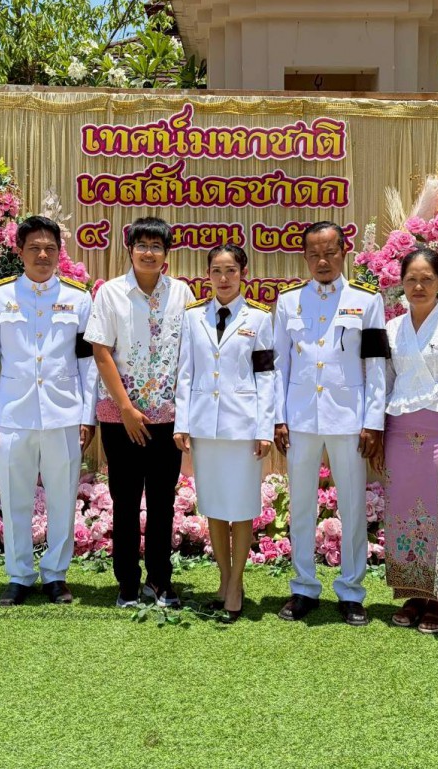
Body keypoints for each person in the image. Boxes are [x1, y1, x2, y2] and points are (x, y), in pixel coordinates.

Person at [0, 215, 97, 607]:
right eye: (34, 248)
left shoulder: (79, 298)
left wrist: (87, 416)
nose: (42, 255)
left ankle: (56, 575)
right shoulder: (0, 297)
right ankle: (19, 575)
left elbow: (87, 362)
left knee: (63, 498)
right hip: (13, 414)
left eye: (49, 248)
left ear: (59, 252)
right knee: (15, 499)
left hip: (64, 414)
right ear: (20, 252)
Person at [273, 221, 388, 626]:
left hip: (349, 418)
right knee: (301, 505)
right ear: (305, 257)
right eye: (314, 254)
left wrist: (373, 421)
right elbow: (279, 364)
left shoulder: (367, 300)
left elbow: (376, 365)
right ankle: (304, 587)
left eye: (330, 253)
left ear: (344, 252)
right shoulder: (289, 301)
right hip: (301, 418)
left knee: (352, 505)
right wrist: (278, 418)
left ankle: (351, 591)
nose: (322, 261)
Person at [83, 216, 193, 609]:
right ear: (129, 250)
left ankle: (160, 581)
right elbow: (101, 351)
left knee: (163, 502)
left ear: (166, 253)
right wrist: (126, 409)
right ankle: (127, 583)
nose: (149, 252)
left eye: (156, 246)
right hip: (120, 418)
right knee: (125, 501)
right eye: (142, 245)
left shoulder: (181, 293)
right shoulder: (110, 292)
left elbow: (188, 354)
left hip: (167, 418)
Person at [376, 247, 438, 634]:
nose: (418, 286)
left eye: (427, 279)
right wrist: (378, 434)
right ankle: (413, 594)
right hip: (399, 431)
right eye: (411, 279)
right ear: (401, 283)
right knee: (404, 511)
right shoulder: (392, 329)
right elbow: (385, 384)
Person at [173, 245, 275, 622]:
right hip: (205, 426)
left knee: (242, 507)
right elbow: (185, 372)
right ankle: (224, 577)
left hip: (243, 427)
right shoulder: (193, 317)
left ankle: (236, 583)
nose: (224, 278)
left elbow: (267, 376)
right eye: (217, 270)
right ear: (208, 275)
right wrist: (182, 423)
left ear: (243, 272)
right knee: (214, 506)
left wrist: (265, 427)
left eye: (231, 270)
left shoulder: (259, 318)